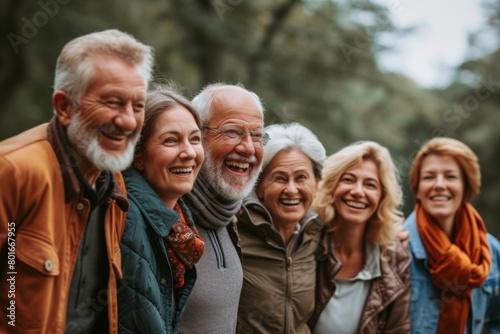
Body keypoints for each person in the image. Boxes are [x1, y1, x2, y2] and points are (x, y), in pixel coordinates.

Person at [0, 29, 153, 333]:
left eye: (138, 105)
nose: (129, 121)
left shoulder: (113, 186)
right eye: (113, 102)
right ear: (64, 107)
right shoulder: (13, 172)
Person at [178, 83, 267, 333]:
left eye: (257, 136)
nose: (248, 148)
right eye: (232, 132)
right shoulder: (167, 215)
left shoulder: (228, 214)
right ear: (197, 136)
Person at [117, 85, 205, 333]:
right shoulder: (123, 216)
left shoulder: (179, 220)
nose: (189, 152)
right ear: (138, 156)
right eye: (171, 140)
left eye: (195, 139)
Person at [309, 141, 411, 333]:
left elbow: (398, 329)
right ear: (331, 185)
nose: (357, 192)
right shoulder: (306, 244)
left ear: (382, 197)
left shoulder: (395, 259)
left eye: (370, 185)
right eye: (348, 180)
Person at [235, 123, 326, 333]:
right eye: (280, 178)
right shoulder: (233, 231)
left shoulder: (319, 234)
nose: (291, 189)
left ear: (317, 183)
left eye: (301, 177)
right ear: (258, 186)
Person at [403, 137, 500, 333]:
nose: (439, 185)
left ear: (466, 187)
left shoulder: (491, 252)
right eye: (429, 177)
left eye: (450, 177)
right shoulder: (396, 249)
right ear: (418, 190)